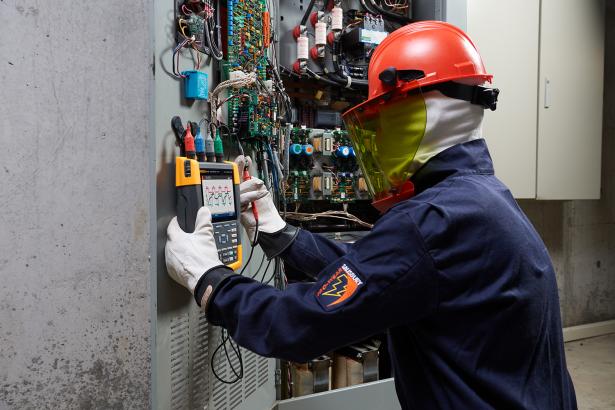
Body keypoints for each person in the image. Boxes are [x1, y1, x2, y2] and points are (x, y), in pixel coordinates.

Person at [165, 21, 577, 409]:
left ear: (423, 112)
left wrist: (209, 279)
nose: (377, 138)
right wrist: (281, 233)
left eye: (383, 120)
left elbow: (296, 325)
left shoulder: (432, 219)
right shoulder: (481, 198)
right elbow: (381, 275)